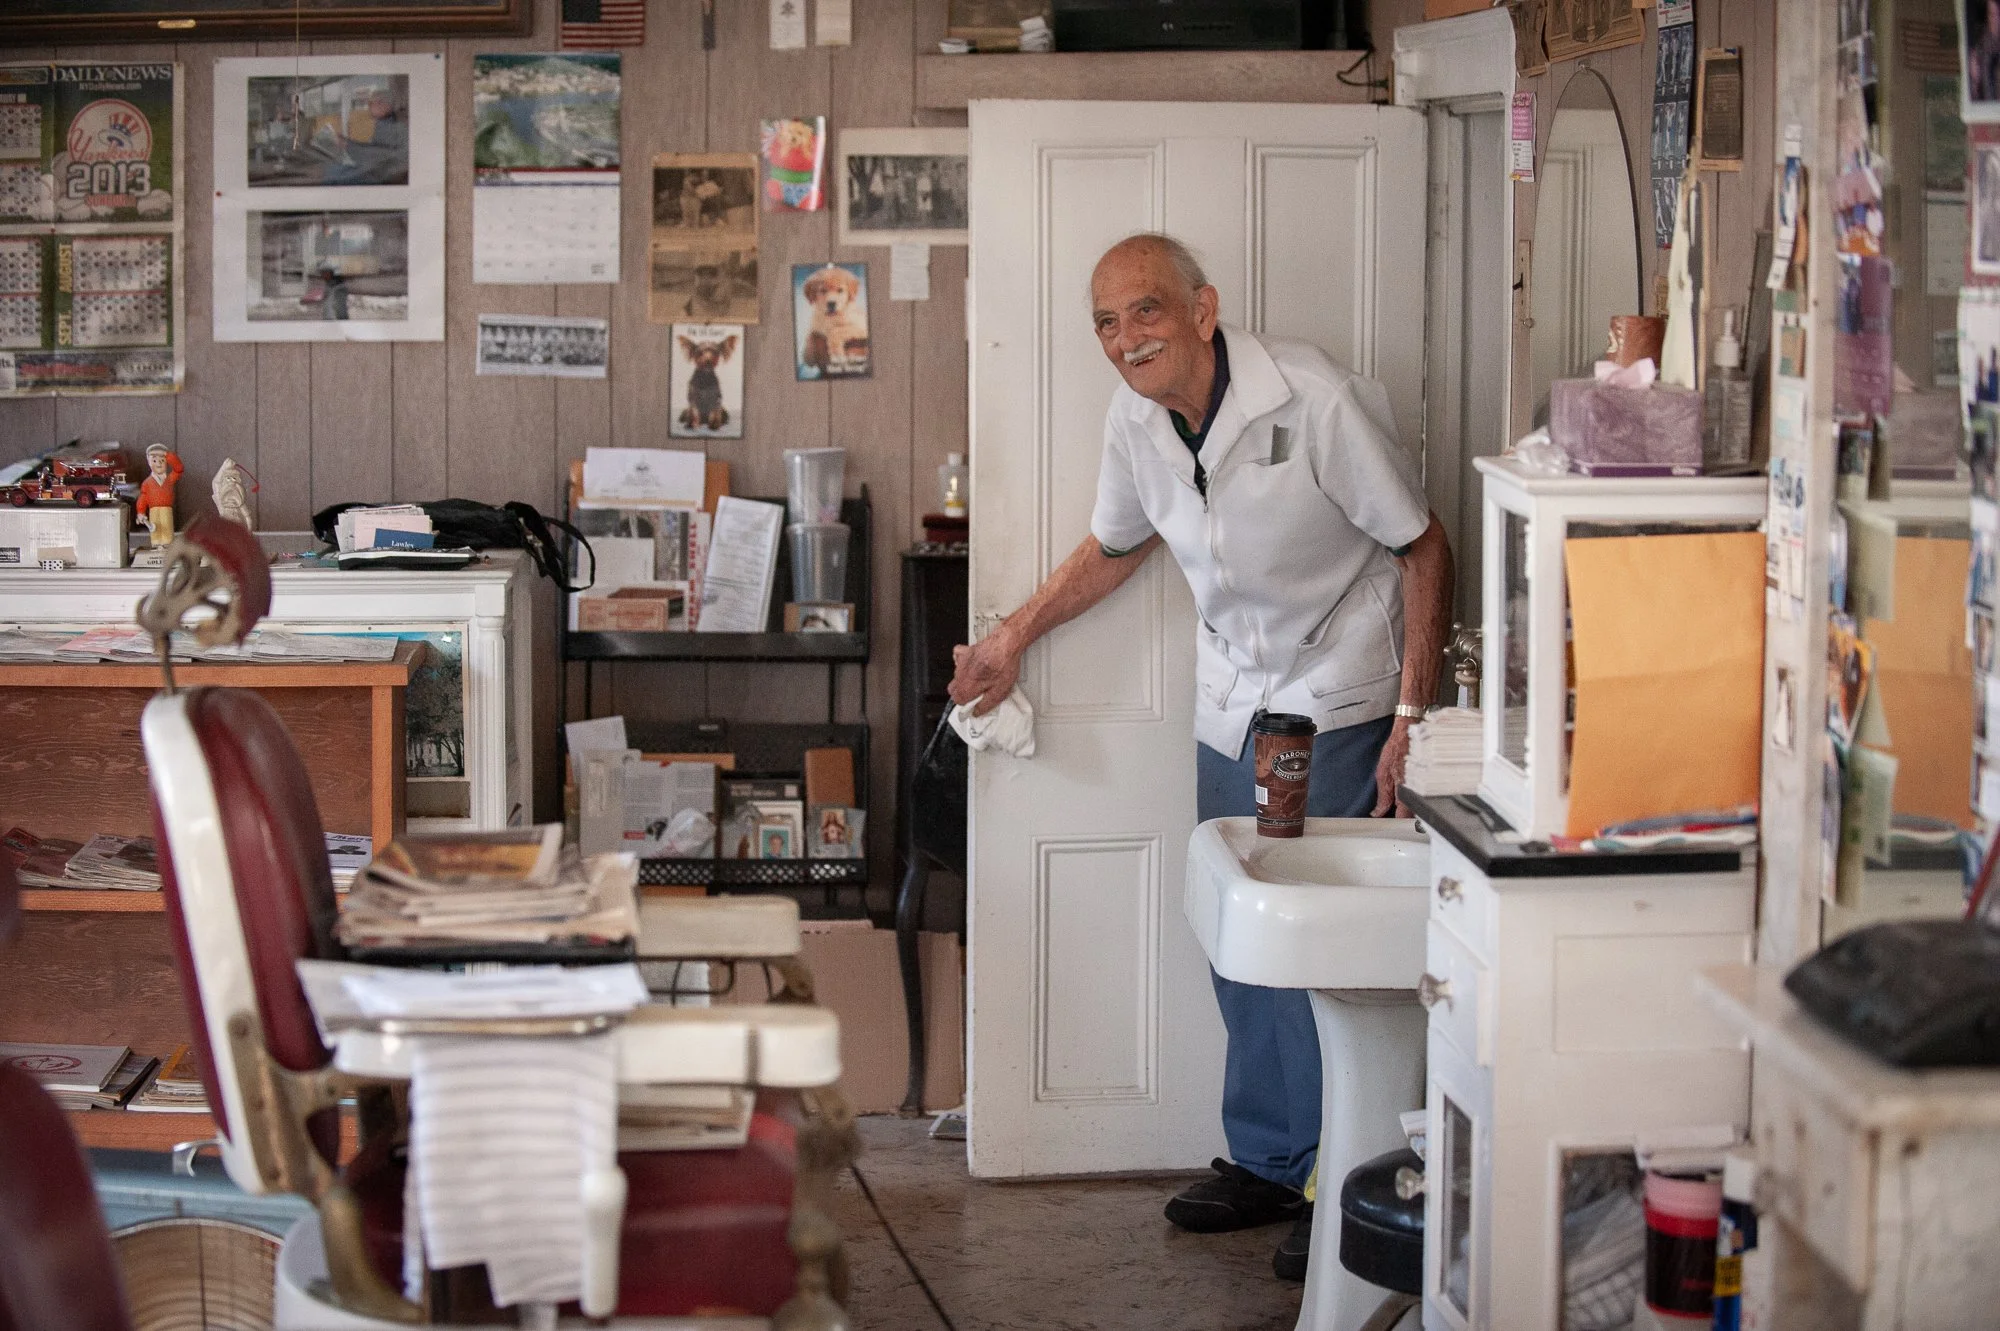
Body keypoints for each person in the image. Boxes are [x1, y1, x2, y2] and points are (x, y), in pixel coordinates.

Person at [948, 233, 1452, 1282]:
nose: (1123, 338)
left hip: (1337, 691)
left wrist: (1413, 709)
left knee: (1330, 949)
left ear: (1201, 310)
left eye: (1142, 311)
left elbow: (1419, 543)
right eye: (1103, 321)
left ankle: (1339, 1178)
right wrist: (1011, 636)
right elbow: (1117, 546)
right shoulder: (1136, 420)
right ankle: (1270, 1158)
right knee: (1242, 933)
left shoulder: (1310, 398)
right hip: (1232, 702)